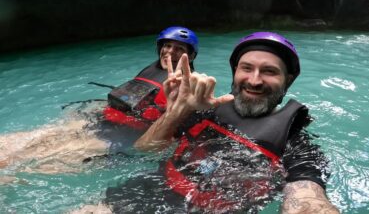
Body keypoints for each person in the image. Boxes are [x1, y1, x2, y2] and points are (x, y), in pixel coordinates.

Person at [75, 32, 339, 213]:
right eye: (246, 68)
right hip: (144, 192)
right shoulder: (203, 110)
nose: (255, 80)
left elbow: (306, 198)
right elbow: (145, 150)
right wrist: (178, 109)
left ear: (288, 80)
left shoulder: (296, 147)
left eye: (269, 72)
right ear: (235, 72)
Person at [0, 26, 199, 173]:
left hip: (116, 138)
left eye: (179, 49)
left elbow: (177, 129)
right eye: (167, 46)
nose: (170, 52)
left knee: (30, 162)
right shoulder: (154, 68)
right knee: (11, 144)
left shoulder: (187, 85)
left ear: (189, 57)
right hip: (99, 122)